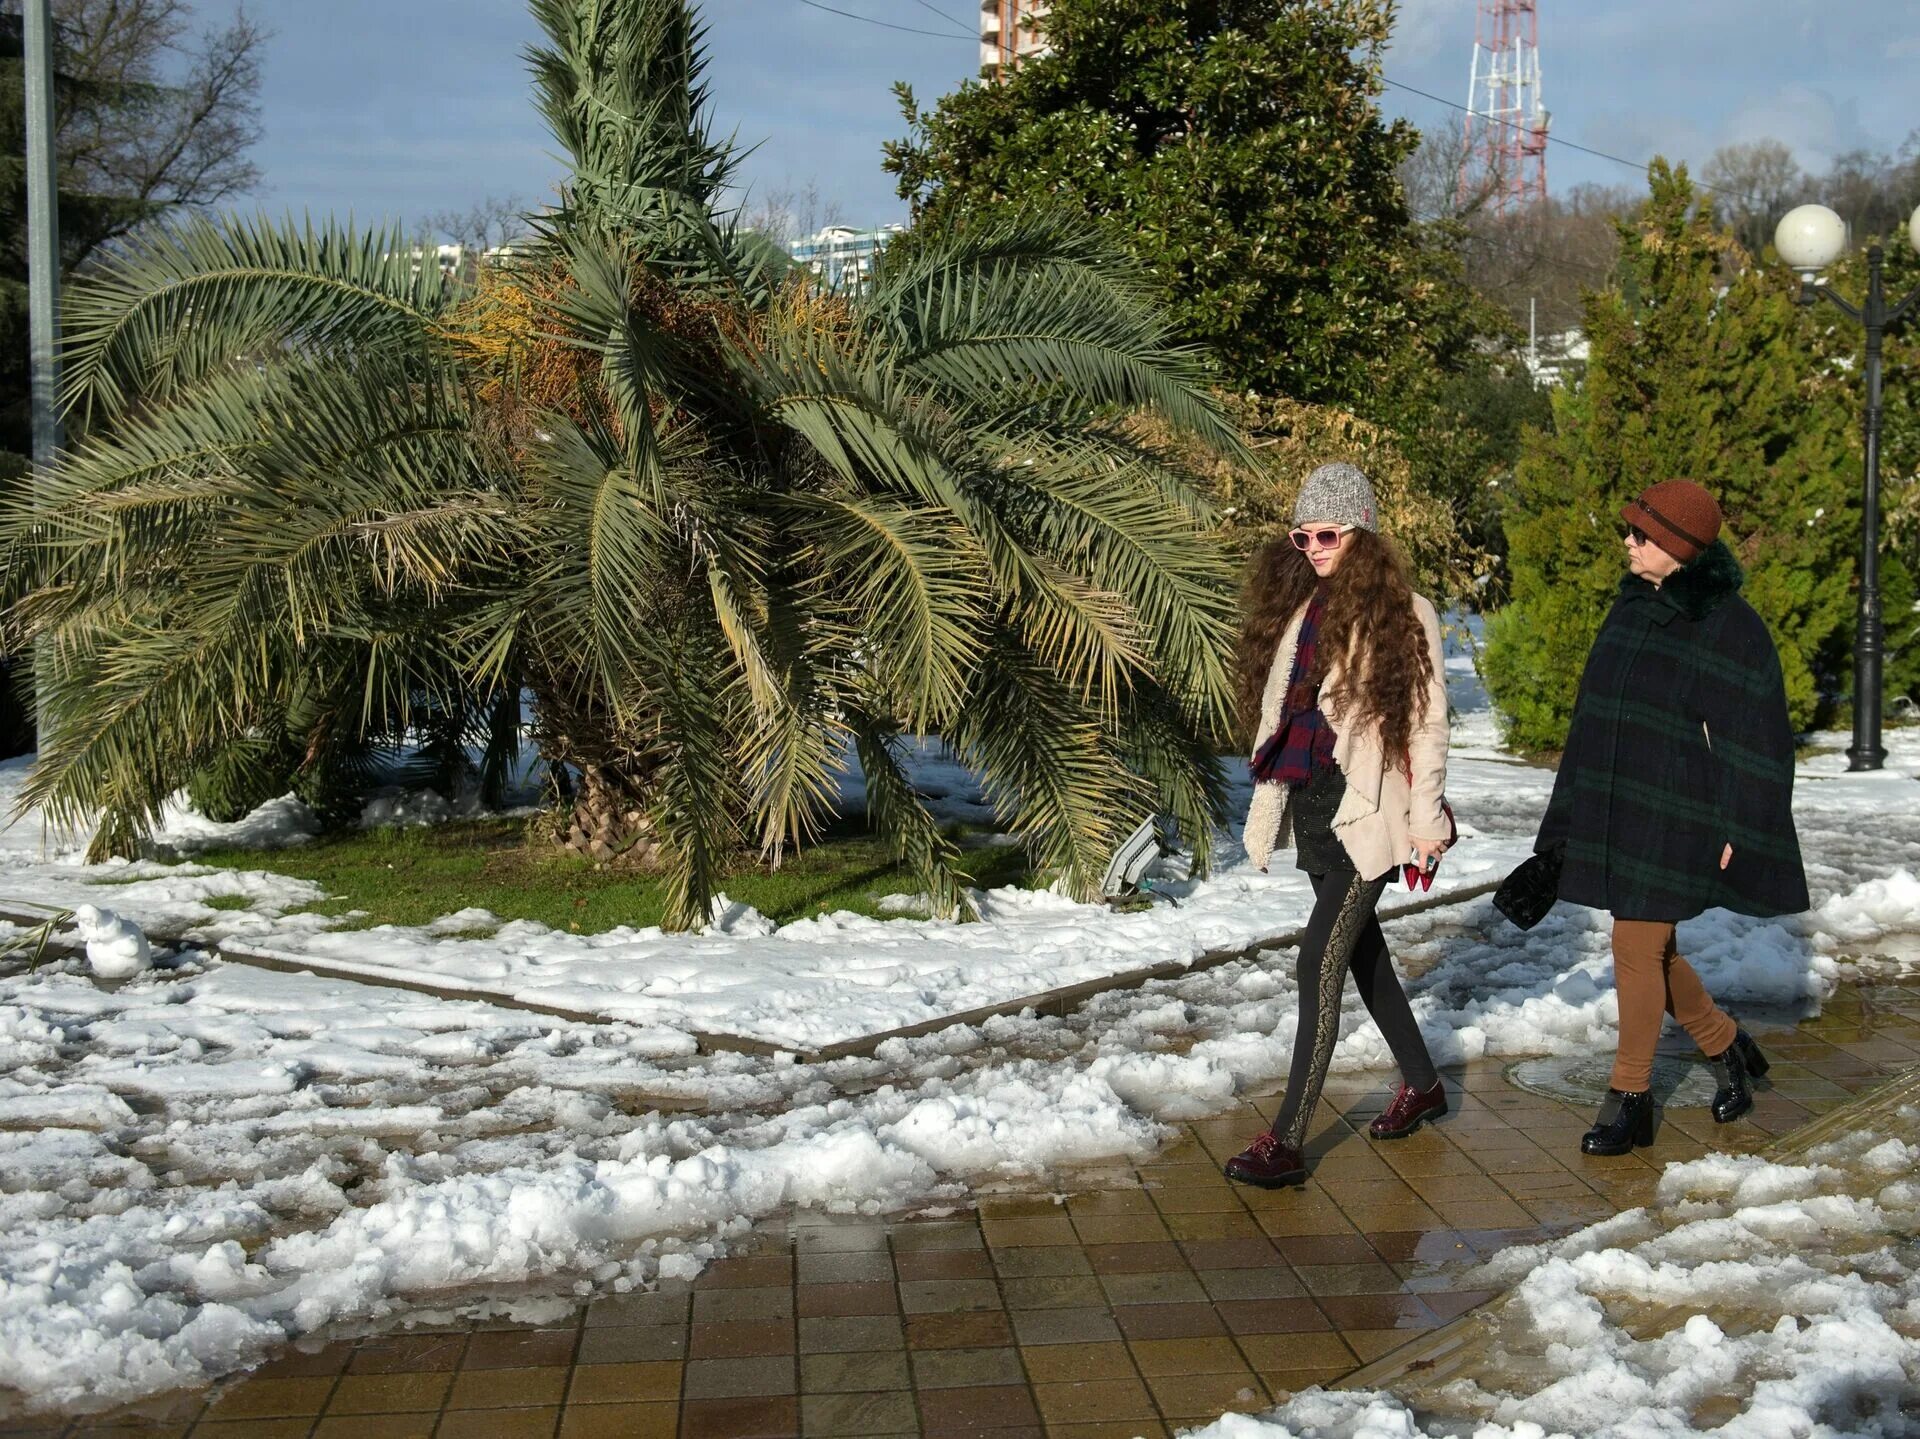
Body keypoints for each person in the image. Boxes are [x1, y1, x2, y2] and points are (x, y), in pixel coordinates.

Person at [1533, 479, 1808, 1156]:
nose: (1628, 541)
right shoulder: (1629, 608)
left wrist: (1738, 827)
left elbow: (1760, 736)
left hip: (1682, 812)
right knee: (1653, 947)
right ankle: (1724, 1043)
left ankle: (1630, 1099)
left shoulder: (1728, 622)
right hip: (1620, 806)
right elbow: (1594, 713)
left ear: (1680, 547)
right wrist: (1570, 814)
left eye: (1642, 534)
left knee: (1633, 944)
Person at [1224, 462, 1453, 1189]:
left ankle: (1288, 1140)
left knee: (1316, 959)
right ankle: (1424, 1082)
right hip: (1317, 810)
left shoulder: (1404, 611)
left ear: (1362, 531)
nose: (1315, 546)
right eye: (1304, 534)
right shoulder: (1304, 610)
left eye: (1328, 533)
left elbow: (1428, 723)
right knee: (1361, 954)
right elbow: (1281, 715)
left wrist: (1426, 821)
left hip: (1371, 817)